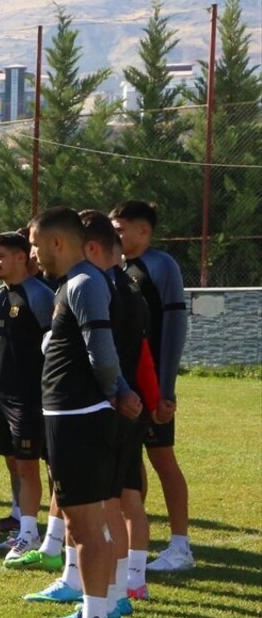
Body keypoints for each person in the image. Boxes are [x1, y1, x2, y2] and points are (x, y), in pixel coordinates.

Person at [29, 206, 139, 618]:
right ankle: (97, 610)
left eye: (36, 245)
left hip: (81, 417)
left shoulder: (84, 282)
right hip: (72, 416)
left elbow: (103, 351)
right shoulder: (73, 285)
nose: (34, 254)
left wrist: (118, 390)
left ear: (59, 242)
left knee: (87, 527)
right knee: (86, 524)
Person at [111, 200, 192, 571]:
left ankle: (180, 546)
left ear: (143, 231)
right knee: (130, 462)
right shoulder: (119, 269)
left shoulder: (162, 266)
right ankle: (135, 537)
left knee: (163, 459)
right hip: (128, 384)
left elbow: (174, 327)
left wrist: (166, 389)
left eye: (121, 229)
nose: (116, 235)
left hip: (153, 385)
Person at [0, 231, 55, 564]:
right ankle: (27, 528)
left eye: (0, 256)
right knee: (15, 463)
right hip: (1, 393)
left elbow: (53, 348)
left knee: (33, 465)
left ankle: (37, 534)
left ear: (21, 258)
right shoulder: (1, 296)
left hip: (30, 395)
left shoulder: (40, 295)